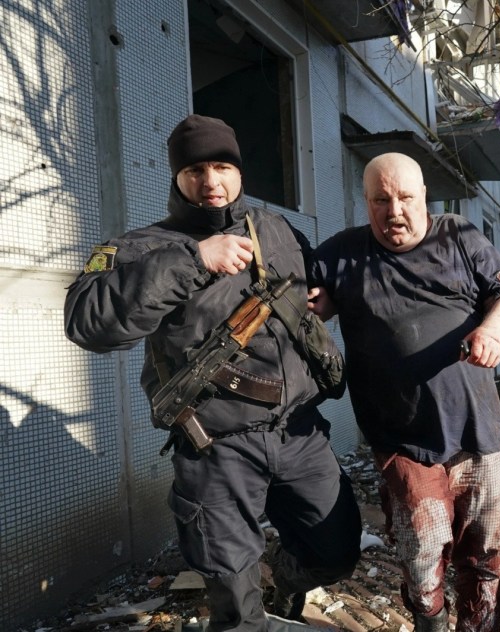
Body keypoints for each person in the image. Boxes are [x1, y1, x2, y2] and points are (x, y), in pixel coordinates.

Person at [64, 114, 361, 631]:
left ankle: (284, 581)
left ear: (240, 172)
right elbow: (87, 321)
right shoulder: (143, 247)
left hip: (298, 434)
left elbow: (313, 277)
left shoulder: (276, 229)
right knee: (234, 599)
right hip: (216, 445)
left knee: (335, 552)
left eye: (222, 166)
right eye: (196, 169)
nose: (211, 182)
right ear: (176, 177)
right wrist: (194, 259)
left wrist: (327, 296)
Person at [307, 152, 500, 632]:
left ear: (424, 195)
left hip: (478, 432)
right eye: (380, 200)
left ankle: (481, 625)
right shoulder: (344, 253)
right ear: (365, 202)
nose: (395, 211)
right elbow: (290, 288)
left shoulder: (461, 237)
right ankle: (430, 620)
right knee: (424, 551)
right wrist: (311, 303)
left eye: (405, 197)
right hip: (403, 439)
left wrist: (492, 333)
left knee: (489, 552)